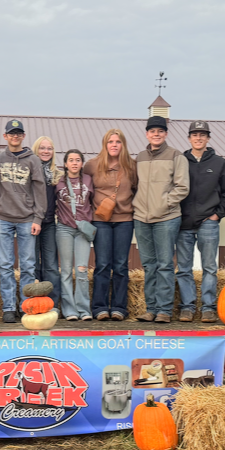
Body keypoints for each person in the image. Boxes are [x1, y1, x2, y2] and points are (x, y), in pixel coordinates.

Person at [133, 115, 189, 323]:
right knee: (149, 265)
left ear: (166, 133)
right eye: (152, 131)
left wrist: (164, 203)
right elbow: (134, 185)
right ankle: (151, 309)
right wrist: (138, 205)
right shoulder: (140, 157)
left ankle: (164, 310)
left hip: (166, 217)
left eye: (160, 131)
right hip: (142, 218)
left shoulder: (176, 156)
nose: (156, 134)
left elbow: (182, 187)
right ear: (147, 134)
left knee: (165, 264)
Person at [176, 121, 225, 323]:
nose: (198, 138)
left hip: (208, 222)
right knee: (184, 268)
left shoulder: (219, 163)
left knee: (209, 267)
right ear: (189, 138)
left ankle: (208, 308)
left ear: (208, 138)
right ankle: (187, 307)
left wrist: (217, 215)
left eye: (202, 134)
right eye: (195, 134)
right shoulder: (180, 161)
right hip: (183, 223)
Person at [0, 119, 47, 323]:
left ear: (23, 136)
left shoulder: (33, 160)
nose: (15, 136)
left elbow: (40, 190)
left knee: (27, 265)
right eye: (11, 133)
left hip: (27, 219)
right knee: (5, 265)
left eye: (18, 133)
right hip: (3, 218)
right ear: (5, 136)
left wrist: (38, 218)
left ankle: (26, 306)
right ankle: (8, 307)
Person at [85, 129, 137, 321]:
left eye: (118, 142)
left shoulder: (132, 166)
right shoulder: (92, 165)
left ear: (123, 145)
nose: (114, 145)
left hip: (125, 220)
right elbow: (84, 189)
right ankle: (99, 307)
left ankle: (119, 307)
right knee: (102, 264)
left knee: (121, 265)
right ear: (104, 144)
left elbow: (137, 190)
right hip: (101, 221)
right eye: (110, 142)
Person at [54, 149, 94, 320]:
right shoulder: (58, 181)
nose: (74, 163)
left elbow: (93, 202)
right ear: (65, 163)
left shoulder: (88, 180)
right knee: (66, 271)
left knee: (82, 269)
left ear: (82, 163)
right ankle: (69, 310)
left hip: (83, 229)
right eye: (71, 160)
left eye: (78, 160)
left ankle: (84, 309)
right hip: (64, 228)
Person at [32, 136, 62, 308]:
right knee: (33, 264)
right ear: (36, 150)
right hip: (31, 222)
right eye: (42, 148)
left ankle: (52, 304)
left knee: (51, 265)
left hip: (49, 223)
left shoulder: (57, 175)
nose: (46, 151)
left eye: (49, 148)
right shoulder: (30, 171)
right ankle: (33, 304)